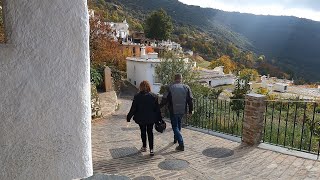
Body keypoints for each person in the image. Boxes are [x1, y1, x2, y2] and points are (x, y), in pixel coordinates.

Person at [127, 81, 161, 156]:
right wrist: (159, 119)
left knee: (143, 132)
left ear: (140, 87)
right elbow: (157, 109)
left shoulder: (137, 96)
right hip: (151, 118)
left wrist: (129, 117)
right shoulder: (154, 96)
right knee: (150, 132)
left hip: (141, 118)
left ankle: (144, 146)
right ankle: (151, 149)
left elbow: (133, 108)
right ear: (149, 86)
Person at [160, 74, 193, 151]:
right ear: (181, 79)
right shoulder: (186, 87)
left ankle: (181, 144)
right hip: (182, 110)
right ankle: (176, 139)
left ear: (174, 78)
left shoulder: (169, 87)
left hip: (173, 110)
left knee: (175, 126)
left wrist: (158, 107)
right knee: (179, 124)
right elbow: (190, 101)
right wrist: (191, 111)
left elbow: (164, 100)